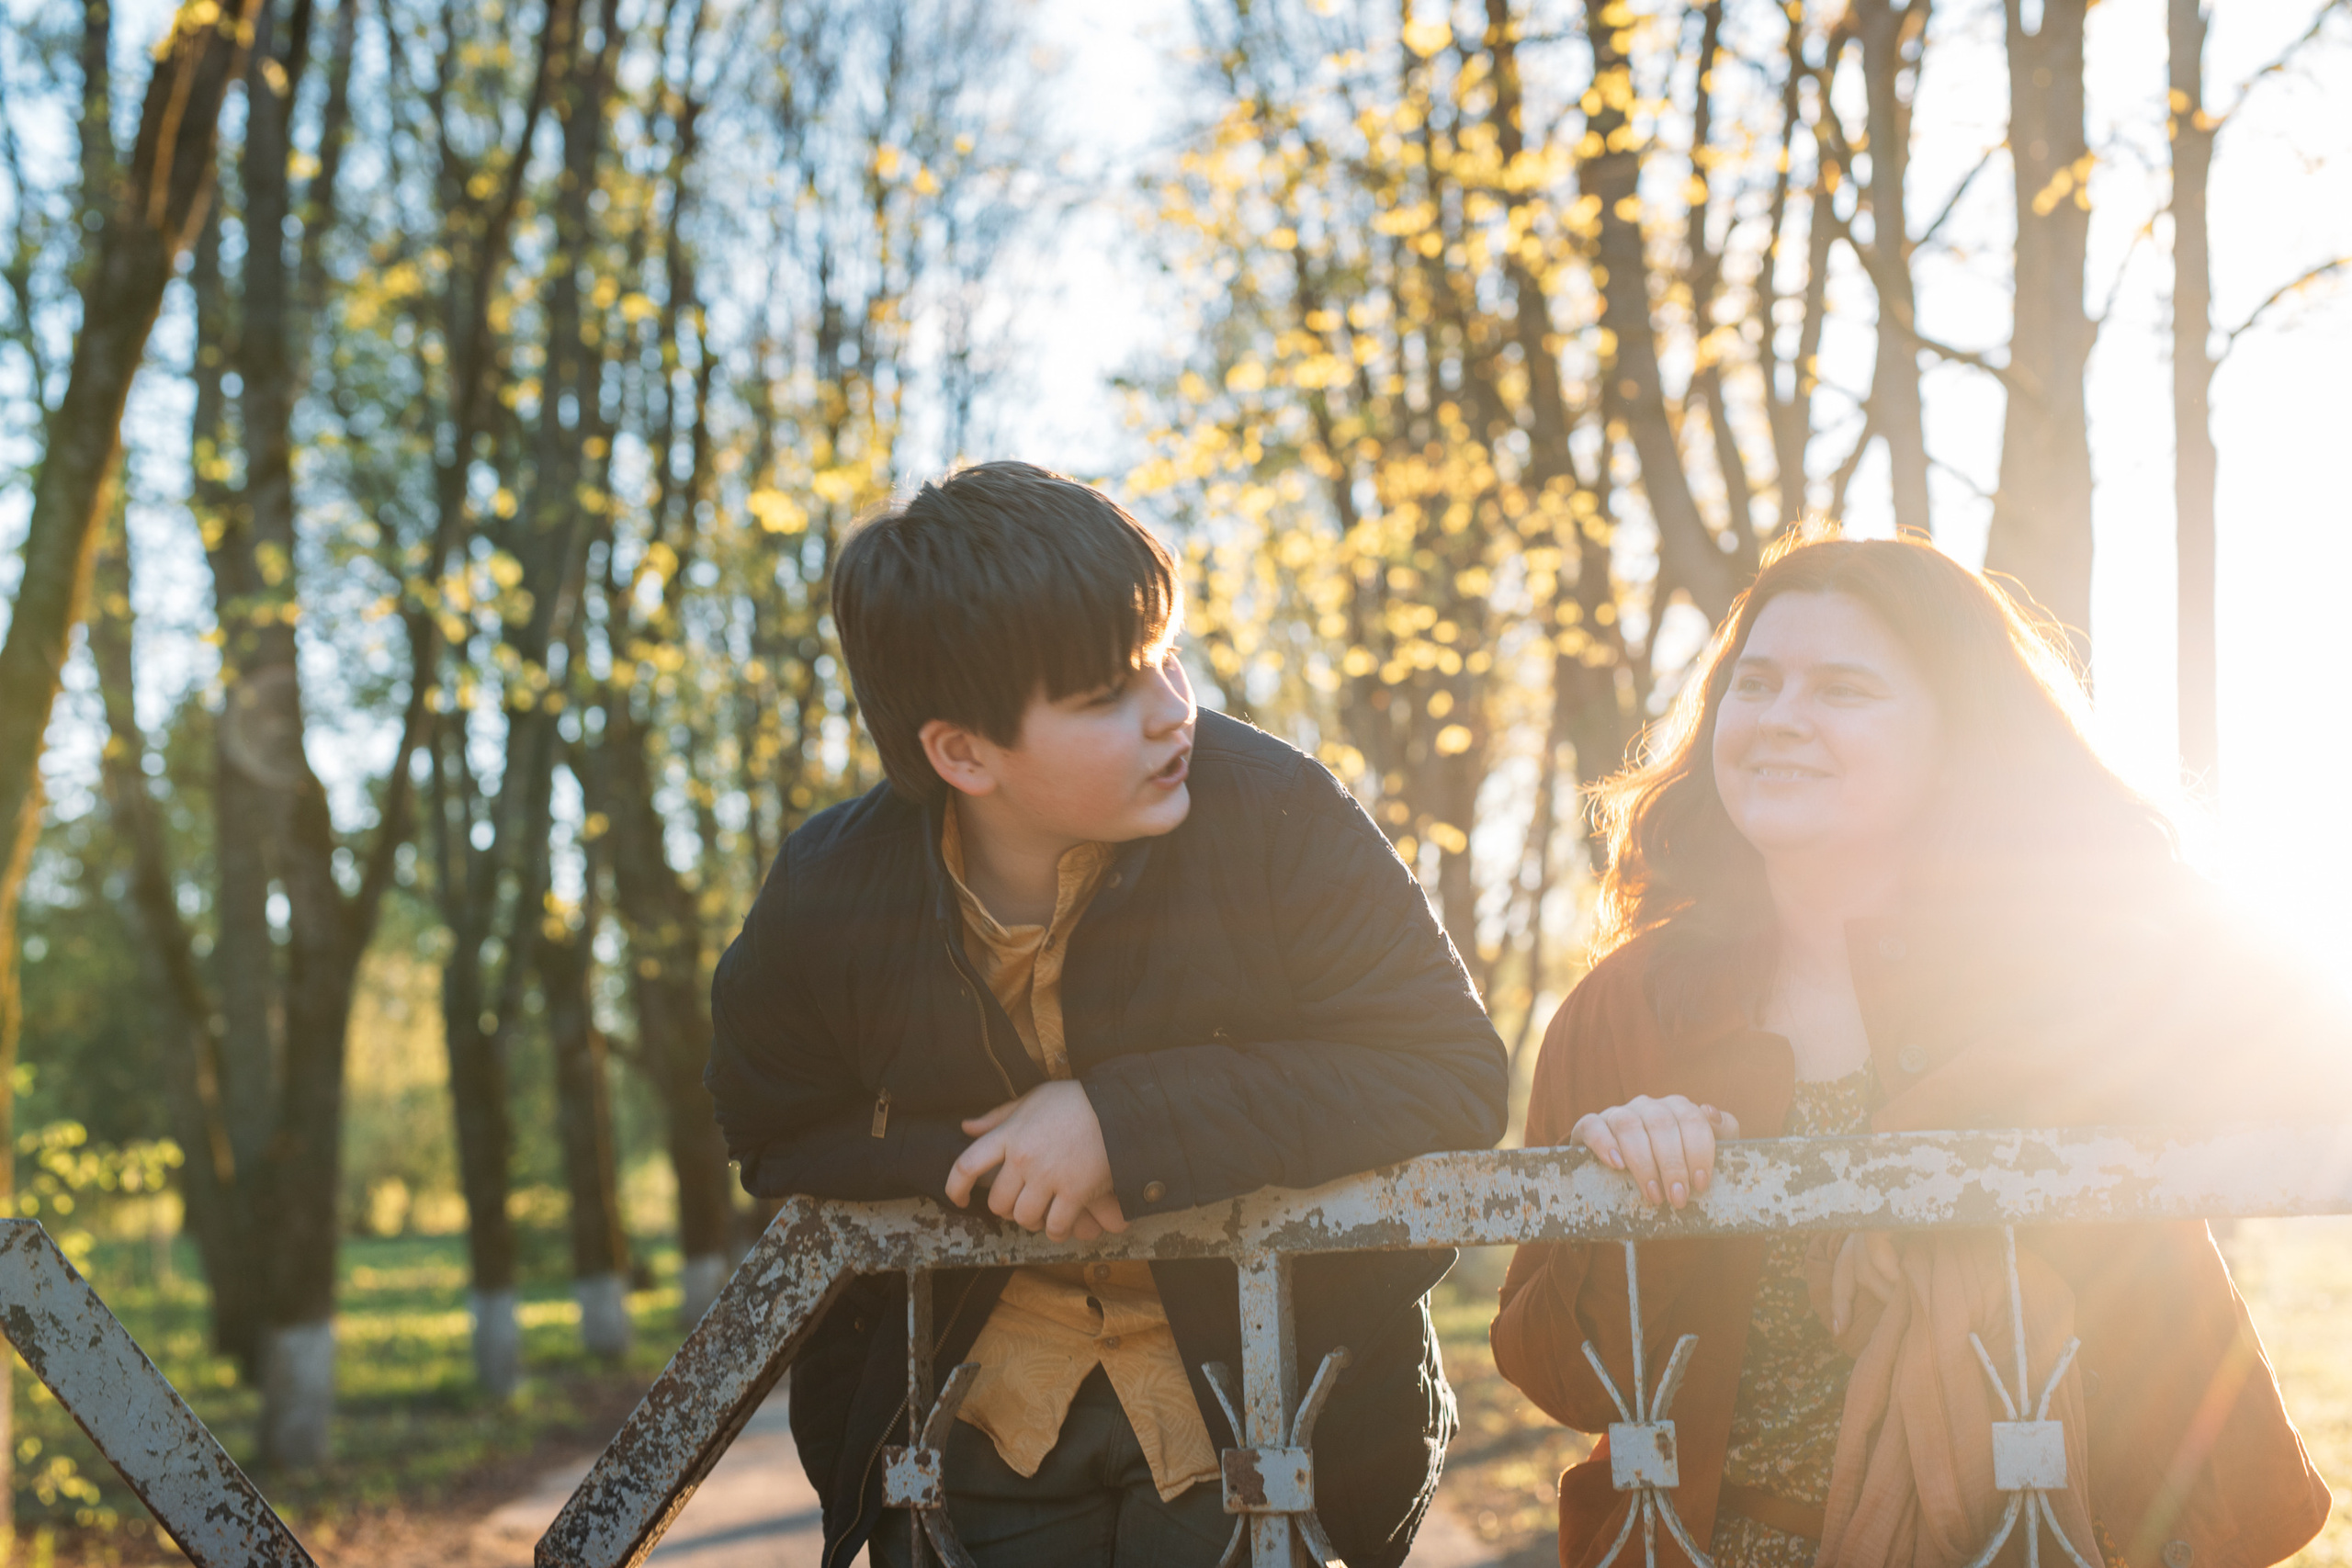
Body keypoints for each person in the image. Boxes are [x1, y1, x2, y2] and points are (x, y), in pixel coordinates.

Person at [1489, 532, 2347, 1568]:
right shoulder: (1622, 1005)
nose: (1778, 720)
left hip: (2052, 1537)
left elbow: (2302, 1055)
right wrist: (1628, 1202)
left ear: (1957, 734)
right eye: (1751, 684)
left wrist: (1992, 1092)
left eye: (1843, 689)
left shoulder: (2075, 964)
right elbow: (1552, 1371)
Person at [707, 461, 1509, 1568]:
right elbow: (773, 1130)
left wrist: (1123, 1124)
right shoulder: (829, 889)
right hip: (966, 1428)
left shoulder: (1279, 812)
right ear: (962, 753)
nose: (1173, 710)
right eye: (1106, 696)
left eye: (1166, 656)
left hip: (1277, 1411)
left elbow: (1449, 1072)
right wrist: (974, 1165)